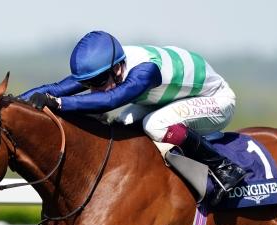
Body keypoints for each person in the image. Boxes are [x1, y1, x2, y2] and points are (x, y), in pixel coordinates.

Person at [19, 31, 246, 205]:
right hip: (169, 99)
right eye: (87, 84)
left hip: (216, 100)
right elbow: (56, 88)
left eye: (97, 83)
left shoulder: (145, 71)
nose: (92, 89)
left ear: (118, 69)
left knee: (155, 125)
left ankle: (224, 167)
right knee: (122, 124)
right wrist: (11, 103)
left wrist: (58, 103)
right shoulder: (104, 66)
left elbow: (110, 100)